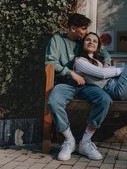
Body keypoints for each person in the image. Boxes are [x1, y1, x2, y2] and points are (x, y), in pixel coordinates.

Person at [45, 13, 113, 161]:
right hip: (66, 84)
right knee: (53, 101)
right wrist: (71, 73)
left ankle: (86, 142)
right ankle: (69, 140)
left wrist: (106, 64)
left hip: (88, 85)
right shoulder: (57, 40)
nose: (86, 32)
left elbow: (104, 52)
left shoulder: (84, 40)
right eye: (83, 29)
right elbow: (50, 63)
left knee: (104, 100)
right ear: (73, 28)